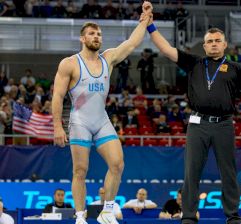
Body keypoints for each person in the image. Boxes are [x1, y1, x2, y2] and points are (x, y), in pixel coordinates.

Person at [146, 3, 241, 222]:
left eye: (217, 40)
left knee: (228, 173)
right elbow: (165, 48)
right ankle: (189, 217)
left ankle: (233, 217)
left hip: (223, 124)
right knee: (192, 173)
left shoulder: (236, 69)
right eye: (209, 41)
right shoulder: (194, 63)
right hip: (198, 123)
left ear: (225, 44)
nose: (213, 44)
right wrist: (150, 25)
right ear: (204, 46)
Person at [51, 3, 153, 224]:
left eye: (99, 34)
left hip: (101, 120)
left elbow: (132, 43)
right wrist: (58, 127)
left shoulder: (108, 58)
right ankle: (80, 216)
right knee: (80, 170)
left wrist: (144, 20)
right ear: (82, 38)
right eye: (91, 33)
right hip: (80, 122)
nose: (96, 36)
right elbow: (57, 96)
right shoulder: (69, 64)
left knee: (117, 164)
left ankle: (107, 211)